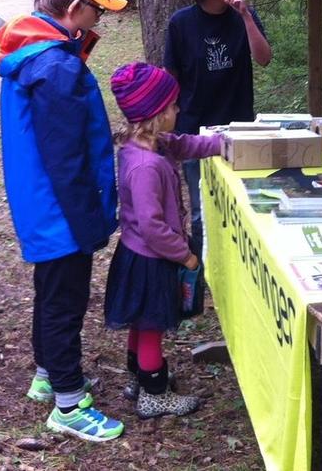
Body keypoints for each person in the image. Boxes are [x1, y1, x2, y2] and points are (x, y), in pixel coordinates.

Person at [0, 0, 128, 441]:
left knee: (52, 294)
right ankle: (69, 405)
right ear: (73, 7)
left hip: (43, 205)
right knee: (65, 302)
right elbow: (67, 156)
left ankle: (49, 376)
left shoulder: (36, 51)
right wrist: (89, 222)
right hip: (61, 210)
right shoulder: (56, 67)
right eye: (97, 10)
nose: (101, 19)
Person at [105, 62, 221, 418]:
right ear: (155, 114)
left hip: (139, 255)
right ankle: (154, 395)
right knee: (152, 325)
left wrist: (222, 143)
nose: (178, 109)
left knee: (142, 321)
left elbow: (186, 144)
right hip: (151, 258)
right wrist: (185, 255)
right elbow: (152, 226)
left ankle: (140, 377)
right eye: (172, 106)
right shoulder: (146, 165)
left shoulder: (155, 144)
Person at [164, 0, 272, 259]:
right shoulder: (181, 23)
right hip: (195, 132)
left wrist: (247, 16)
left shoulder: (243, 16)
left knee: (242, 204)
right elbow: (170, 79)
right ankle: (203, 272)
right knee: (201, 209)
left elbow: (264, 58)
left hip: (239, 128)